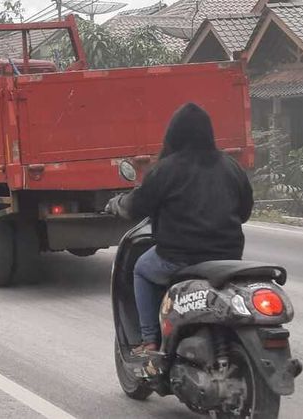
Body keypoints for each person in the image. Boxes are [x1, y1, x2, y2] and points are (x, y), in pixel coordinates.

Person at [107, 103, 253, 355]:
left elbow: (135, 207)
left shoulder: (166, 169)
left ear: (173, 134)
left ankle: (149, 340)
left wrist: (116, 204)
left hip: (179, 258)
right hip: (228, 258)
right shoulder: (231, 167)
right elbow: (244, 212)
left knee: (141, 268)